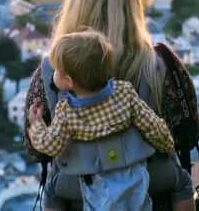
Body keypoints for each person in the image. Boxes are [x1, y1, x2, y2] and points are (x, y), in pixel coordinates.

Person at [23, 0, 198, 211]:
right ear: (132, 6)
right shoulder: (160, 65)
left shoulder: (51, 73)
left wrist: (38, 125)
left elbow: (37, 150)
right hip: (149, 190)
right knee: (182, 182)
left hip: (78, 191)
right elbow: (188, 132)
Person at [27, 30, 176, 210]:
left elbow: (51, 145)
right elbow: (152, 126)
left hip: (93, 182)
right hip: (133, 173)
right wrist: (167, 145)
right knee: (180, 185)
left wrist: (36, 125)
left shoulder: (66, 111)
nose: (54, 74)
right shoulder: (124, 93)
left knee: (51, 192)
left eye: (57, 70)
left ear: (68, 81)